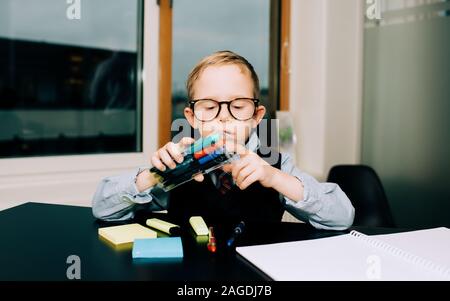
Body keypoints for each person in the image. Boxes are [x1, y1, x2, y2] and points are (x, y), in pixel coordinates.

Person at [92, 51, 354, 230]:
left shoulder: (275, 165)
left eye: (238, 106)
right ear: (192, 117)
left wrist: (275, 178)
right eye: (209, 106)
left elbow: (342, 217)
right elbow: (103, 209)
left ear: (256, 116)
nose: (225, 117)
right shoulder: (180, 165)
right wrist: (152, 176)